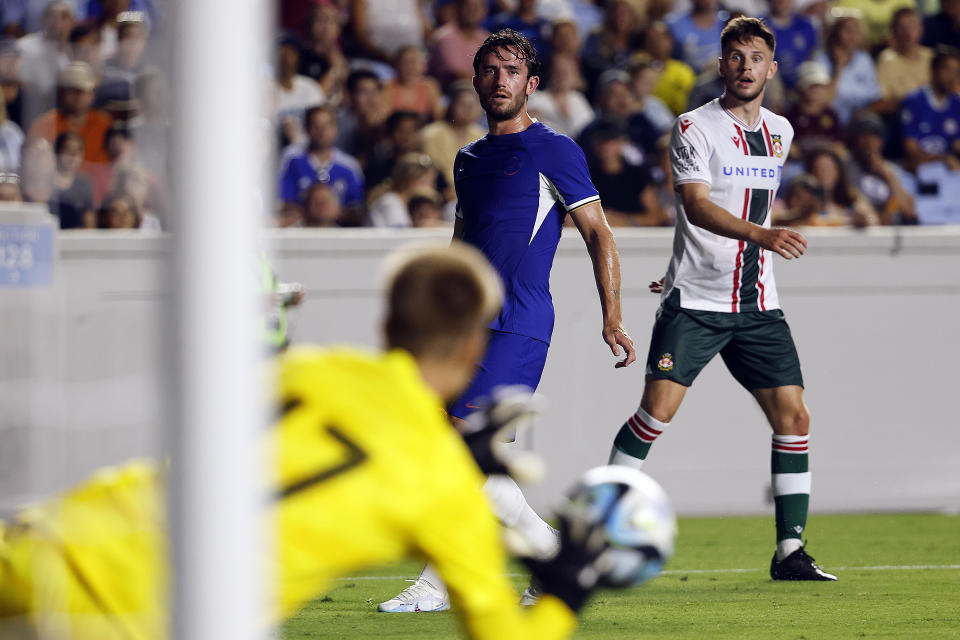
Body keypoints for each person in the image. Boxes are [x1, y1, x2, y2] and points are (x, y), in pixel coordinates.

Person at [0, 244, 626, 640]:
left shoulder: (309, 368)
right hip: (134, 615)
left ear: (385, 327)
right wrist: (566, 595)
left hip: (48, 537)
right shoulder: (439, 486)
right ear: (473, 348)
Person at [379, 28, 637, 614]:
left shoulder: (555, 150)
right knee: (462, 451)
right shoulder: (467, 160)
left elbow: (598, 232)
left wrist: (612, 317)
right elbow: (461, 246)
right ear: (475, 81)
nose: (500, 80)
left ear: (532, 83)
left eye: (512, 70)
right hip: (467, 330)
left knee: (463, 450)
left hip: (520, 324)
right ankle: (554, 558)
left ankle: (440, 580)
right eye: (490, 70)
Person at [606, 16, 837, 582]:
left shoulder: (781, 131)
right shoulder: (693, 127)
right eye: (735, 57)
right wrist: (759, 237)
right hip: (698, 302)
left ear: (771, 67)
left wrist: (759, 235)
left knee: (795, 416)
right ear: (720, 65)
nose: (745, 67)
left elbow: (746, 204)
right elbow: (696, 205)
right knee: (656, 413)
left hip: (758, 304)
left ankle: (790, 550)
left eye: (755, 57)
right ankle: (601, 528)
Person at [900, 48, 960, 172]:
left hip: (948, 169)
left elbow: (957, 144)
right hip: (916, 169)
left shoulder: (956, 103)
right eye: (947, 70)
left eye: (956, 72)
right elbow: (911, 150)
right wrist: (942, 159)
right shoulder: (914, 101)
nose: (952, 77)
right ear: (933, 70)